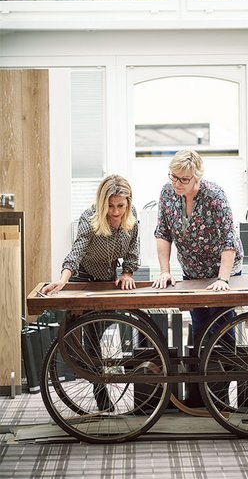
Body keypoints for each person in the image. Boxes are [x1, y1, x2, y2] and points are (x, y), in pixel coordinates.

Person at [42, 174, 139, 411]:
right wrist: (63, 279)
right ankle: (101, 395)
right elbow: (76, 252)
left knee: (98, 331)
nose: (115, 211)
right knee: (88, 341)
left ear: (127, 203)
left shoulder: (132, 216)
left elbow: (134, 250)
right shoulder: (89, 217)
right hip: (83, 278)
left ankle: (100, 371)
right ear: (102, 201)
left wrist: (127, 272)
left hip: (108, 280)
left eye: (120, 205)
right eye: (110, 205)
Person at [152, 149, 244, 342]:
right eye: (173, 177)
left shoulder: (214, 195)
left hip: (222, 269)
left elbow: (229, 238)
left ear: (197, 177)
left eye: (184, 179)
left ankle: (229, 369)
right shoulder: (167, 192)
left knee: (222, 325)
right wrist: (165, 271)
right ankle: (203, 370)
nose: (177, 183)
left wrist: (223, 280)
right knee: (200, 326)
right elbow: (163, 232)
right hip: (192, 269)